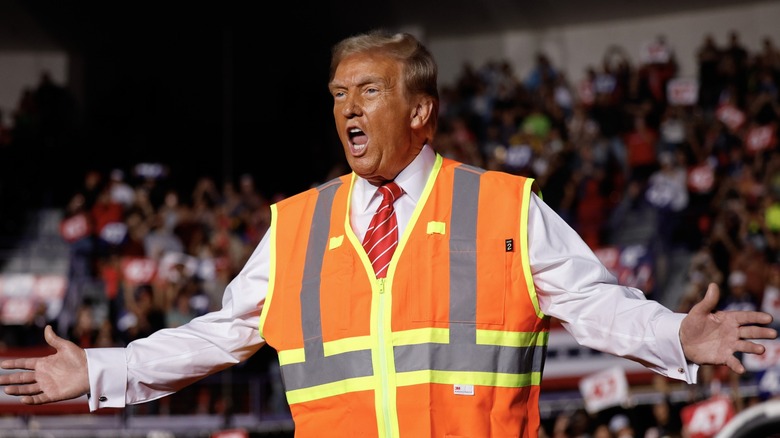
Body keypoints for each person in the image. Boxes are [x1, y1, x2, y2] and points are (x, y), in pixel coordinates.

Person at [0, 29, 777, 438]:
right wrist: (101, 373)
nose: (347, 109)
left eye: (368, 91)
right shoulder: (297, 224)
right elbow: (219, 335)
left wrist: (679, 335)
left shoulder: (503, 207)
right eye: (339, 93)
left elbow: (599, 305)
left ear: (419, 111)